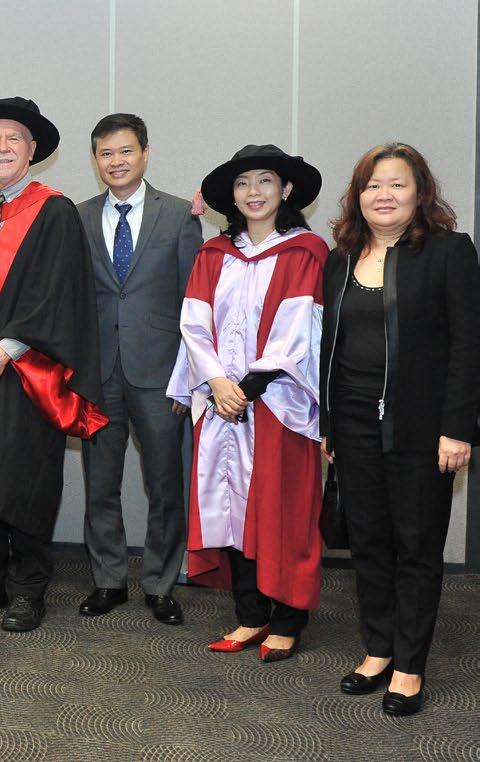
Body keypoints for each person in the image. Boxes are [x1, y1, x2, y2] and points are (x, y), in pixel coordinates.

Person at [0, 97, 106, 633]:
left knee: (26, 479)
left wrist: (4, 351)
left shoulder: (54, 212)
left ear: (32, 150)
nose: (2, 147)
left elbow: (58, 295)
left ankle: (28, 589)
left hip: (30, 373)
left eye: (13, 138)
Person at [321, 143, 480, 715]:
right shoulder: (341, 258)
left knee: (416, 547)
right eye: (372, 185)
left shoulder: (448, 252)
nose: (383, 195)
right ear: (357, 196)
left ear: (420, 193)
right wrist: (329, 425)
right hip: (353, 422)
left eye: (396, 184)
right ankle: (379, 648)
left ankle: (409, 665)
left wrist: (457, 428)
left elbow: (469, 344)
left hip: (422, 428)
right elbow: (330, 347)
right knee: (368, 543)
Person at [167, 144, 328, 663]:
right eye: (242, 183)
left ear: (286, 189)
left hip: (281, 403)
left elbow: (298, 332)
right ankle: (250, 614)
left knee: (284, 509)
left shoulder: (305, 252)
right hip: (222, 404)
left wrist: (247, 389)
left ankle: (288, 618)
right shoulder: (214, 254)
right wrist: (218, 383)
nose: (253, 192)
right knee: (231, 505)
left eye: (265, 181)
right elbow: (194, 324)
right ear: (231, 196)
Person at [75, 114, 201, 625]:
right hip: (99, 372)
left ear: (145, 153)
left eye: (125, 151)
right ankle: (108, 579)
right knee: (100, 482)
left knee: (165, 483)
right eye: (106, 153)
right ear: (95, 160)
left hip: (161, 373)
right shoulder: (78, 217)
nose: (116, 162)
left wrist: (189, 376)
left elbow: (195, 302)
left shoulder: (179, 215)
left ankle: (160, 583)